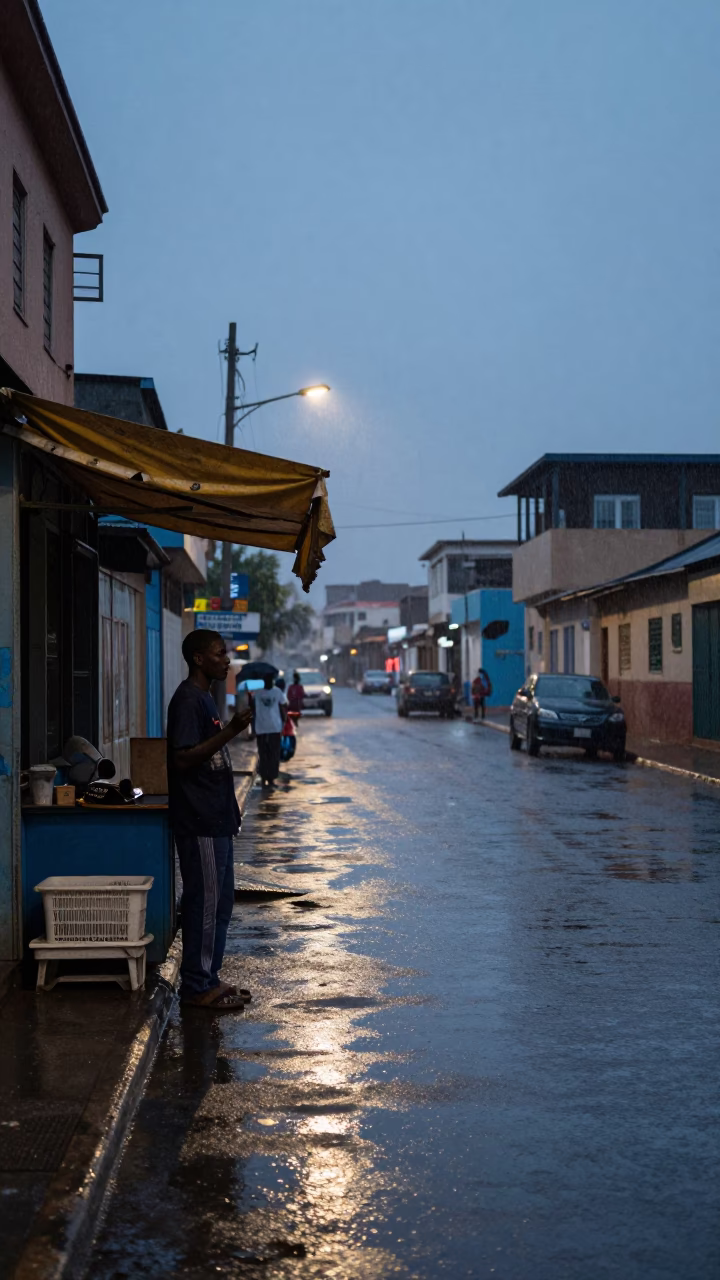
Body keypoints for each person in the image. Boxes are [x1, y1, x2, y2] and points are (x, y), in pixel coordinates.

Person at [167, 629, 253, 1011]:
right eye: (220, 653)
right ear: (199, 659)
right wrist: (232, 732)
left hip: (217, 820)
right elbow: (183, 757)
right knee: (203, 904)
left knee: (220, 905)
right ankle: (197, 986)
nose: (227, 660)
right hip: (199, 820)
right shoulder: (188, 700)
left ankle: (210, 978)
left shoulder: (206, 699)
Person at [254, 673, 288, 786]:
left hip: (267, 728)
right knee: (270, 754)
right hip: (269, 728)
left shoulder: (257, 693)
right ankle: (268, 778)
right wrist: (284, 722)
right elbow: (284, 706)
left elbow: (252, 708)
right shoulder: (276, 692)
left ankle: (267, 777)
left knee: (267, 754)